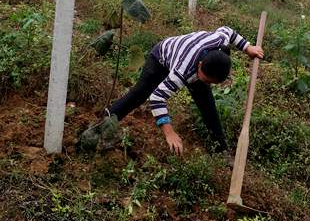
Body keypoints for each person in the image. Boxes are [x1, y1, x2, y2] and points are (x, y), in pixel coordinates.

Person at [78, 26, 264, 158]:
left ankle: (222, 151)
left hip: (191, 60)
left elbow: (228, 30)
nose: (204, 83)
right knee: (139, 95)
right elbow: (157, 98)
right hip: (161, 57)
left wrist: (248, 47)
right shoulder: (183, 70)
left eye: (211, 82)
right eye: (204, 79)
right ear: (200, 66)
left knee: (209, 108)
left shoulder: (219, 41)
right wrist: (169, 133)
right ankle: (103, 125)